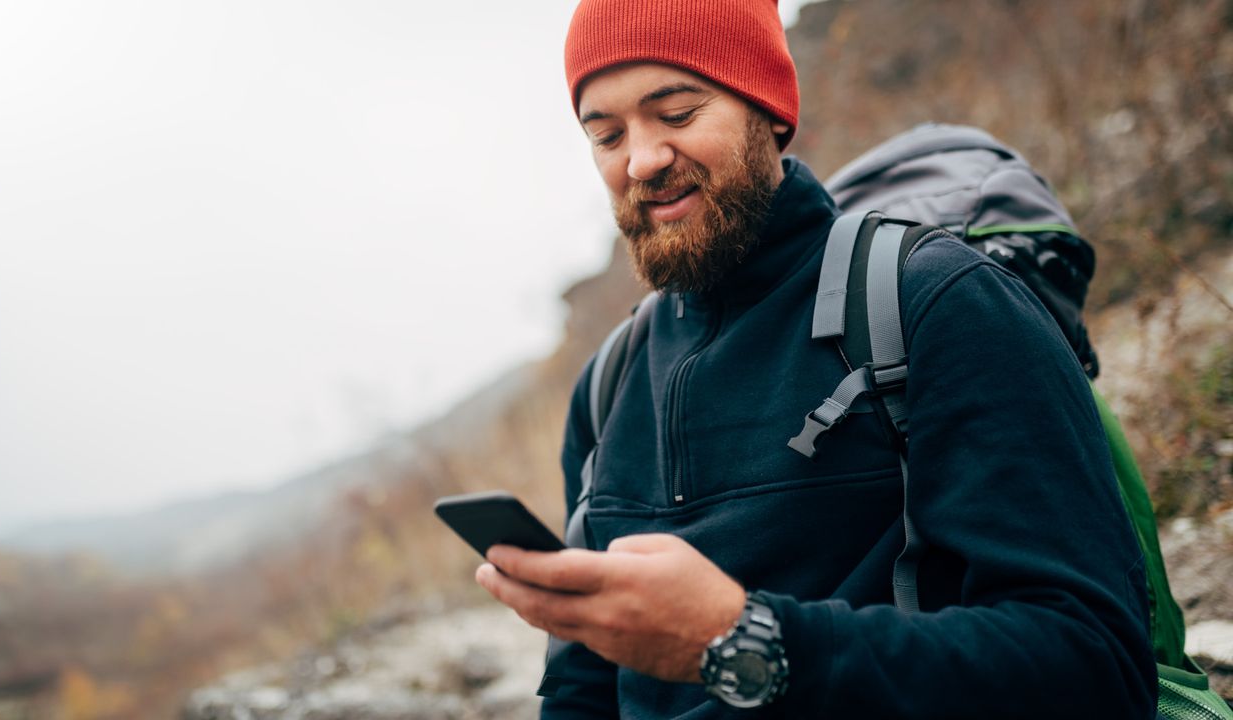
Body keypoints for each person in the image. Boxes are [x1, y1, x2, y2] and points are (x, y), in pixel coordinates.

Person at [474, 0, 1158, 716]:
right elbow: (586, 689)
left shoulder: (935, 302)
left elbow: (1097, 663)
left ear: (767, 107)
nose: (641, 160)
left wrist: (747, 642)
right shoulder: (608, 385)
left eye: (676, 114)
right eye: (606, 134)